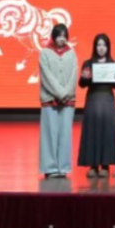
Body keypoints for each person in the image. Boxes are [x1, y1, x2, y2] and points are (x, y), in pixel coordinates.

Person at [78, 33, 115, 178]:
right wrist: (84, 78)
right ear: (95, 47)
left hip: (107, 99)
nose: (101, 48)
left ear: (108, 47)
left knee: (107, 132)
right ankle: (93, 165)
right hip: (93, 99)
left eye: (104, 45)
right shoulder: (88, 63)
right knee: (92, 131)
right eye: (99, 45)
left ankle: (105, 166)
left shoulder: (113, 64)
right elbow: (81, 84)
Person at [39, 23, 79, 179]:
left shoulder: (71, 53)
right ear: (53, 36)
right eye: (59, 35)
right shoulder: (45, 53)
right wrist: (60, 92)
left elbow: (74, 74)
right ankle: (50, 168)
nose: (61, 39)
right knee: (49, 133)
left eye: (64, 36)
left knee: (65, 134)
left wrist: (67, 92)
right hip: (50, 99)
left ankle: (63, 167)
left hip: (68, 100)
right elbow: (46, 76)